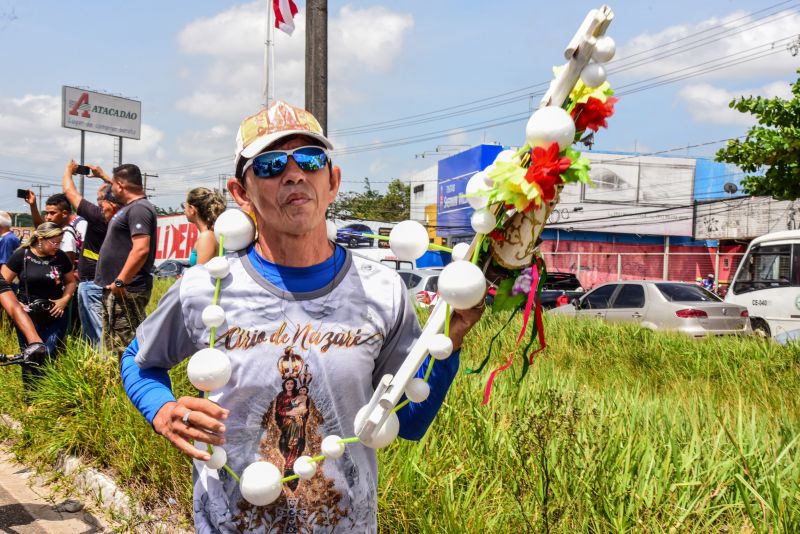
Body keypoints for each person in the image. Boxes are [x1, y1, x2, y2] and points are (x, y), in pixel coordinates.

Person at [121, 100, 483, 532]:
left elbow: (408, 420)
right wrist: (162, 410)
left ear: (332, 181)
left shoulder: (383, 291)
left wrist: (450, 343)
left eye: (310, 159)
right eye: (272, 164)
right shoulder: (206, 287)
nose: (294, 173)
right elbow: (138, 361)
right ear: (242, 193)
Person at [0, 223, 76, 396]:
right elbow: (3, 282)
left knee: (48, 352)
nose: (58, 246)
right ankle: (30, 398)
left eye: (60, 242)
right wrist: (16, 304)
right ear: (41, 239)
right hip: (26, 314)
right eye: (54, 242)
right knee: (29, 356)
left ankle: (47, 395)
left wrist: (64, 300)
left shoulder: (61, 258)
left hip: (55, 313)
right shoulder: (21, 256)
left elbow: (71, 282)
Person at [93, 164, 157, 358]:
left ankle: (129, 386)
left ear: (120, 185)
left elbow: (141, 249)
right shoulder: (130, 207)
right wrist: (103, 176)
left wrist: (121, 281)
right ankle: (117, 385)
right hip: (118, 289)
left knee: (126, 347)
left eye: (113, 185)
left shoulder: (139, 209)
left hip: (126, 290)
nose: (111, 189)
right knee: (114, 346)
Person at [60, 160, 123, 346]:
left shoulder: (98, 217)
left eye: (100, 200)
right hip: (113, 280)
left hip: (92, 282)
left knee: (96, 335)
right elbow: (127, 196)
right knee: (108, 331)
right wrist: (104, 176)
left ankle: (102, 369)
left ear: (110, 203)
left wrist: (68, 171)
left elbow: (69, 192)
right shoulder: (125, 218)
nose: (98, 204)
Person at [24, 192, 87, 266]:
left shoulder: (81, 225)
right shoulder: (57, 225)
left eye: (52, 213)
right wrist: (33, 205)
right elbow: (41, 228)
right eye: (47, 213)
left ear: (64, 213)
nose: (48, 217)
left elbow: (89, 251)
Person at [183, 187, 226, 266]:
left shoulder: (207, 236)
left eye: (184, 206)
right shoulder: (212, 233)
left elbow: (201, 275)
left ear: (192, 209)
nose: (184, 210)